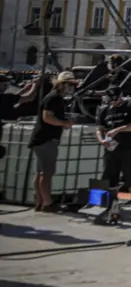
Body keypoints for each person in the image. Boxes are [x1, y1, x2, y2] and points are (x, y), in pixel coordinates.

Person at [96, 84, 131, 223]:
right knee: (110, 179)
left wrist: (118, 129)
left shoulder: (130, 106)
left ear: (121, 95)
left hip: (128, 149)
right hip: (111, 150)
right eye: (111, 100)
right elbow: (99, 129)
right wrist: (102, 140)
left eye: (116, 99)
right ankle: (113, 208)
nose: (114, 102)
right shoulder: (105, 110)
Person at [30, 71, 76, 212]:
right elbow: (47, 117)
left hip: (41, 139)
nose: (71, 87)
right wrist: (65, 123)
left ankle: (40, 201)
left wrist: (62, 124)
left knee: (40, 173)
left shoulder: (54, 98)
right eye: (69, 84)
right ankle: (48, 203)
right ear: (61, 84)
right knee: (47, 173)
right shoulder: (54, 98)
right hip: (46, 139)